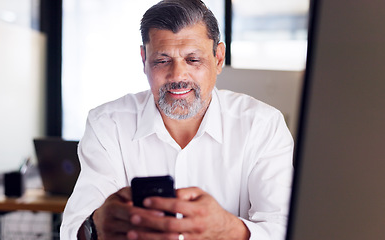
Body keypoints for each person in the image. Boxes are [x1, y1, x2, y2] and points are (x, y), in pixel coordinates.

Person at [60, 0, 294, 239]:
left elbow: (286, 227)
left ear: (219, 58)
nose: (178, 75)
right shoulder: (108, 124)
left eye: (193, 60)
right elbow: (72, 229)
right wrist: (95, 225)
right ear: (144, 60)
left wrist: (229, 229)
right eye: (162, 61)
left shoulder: (262, 126)